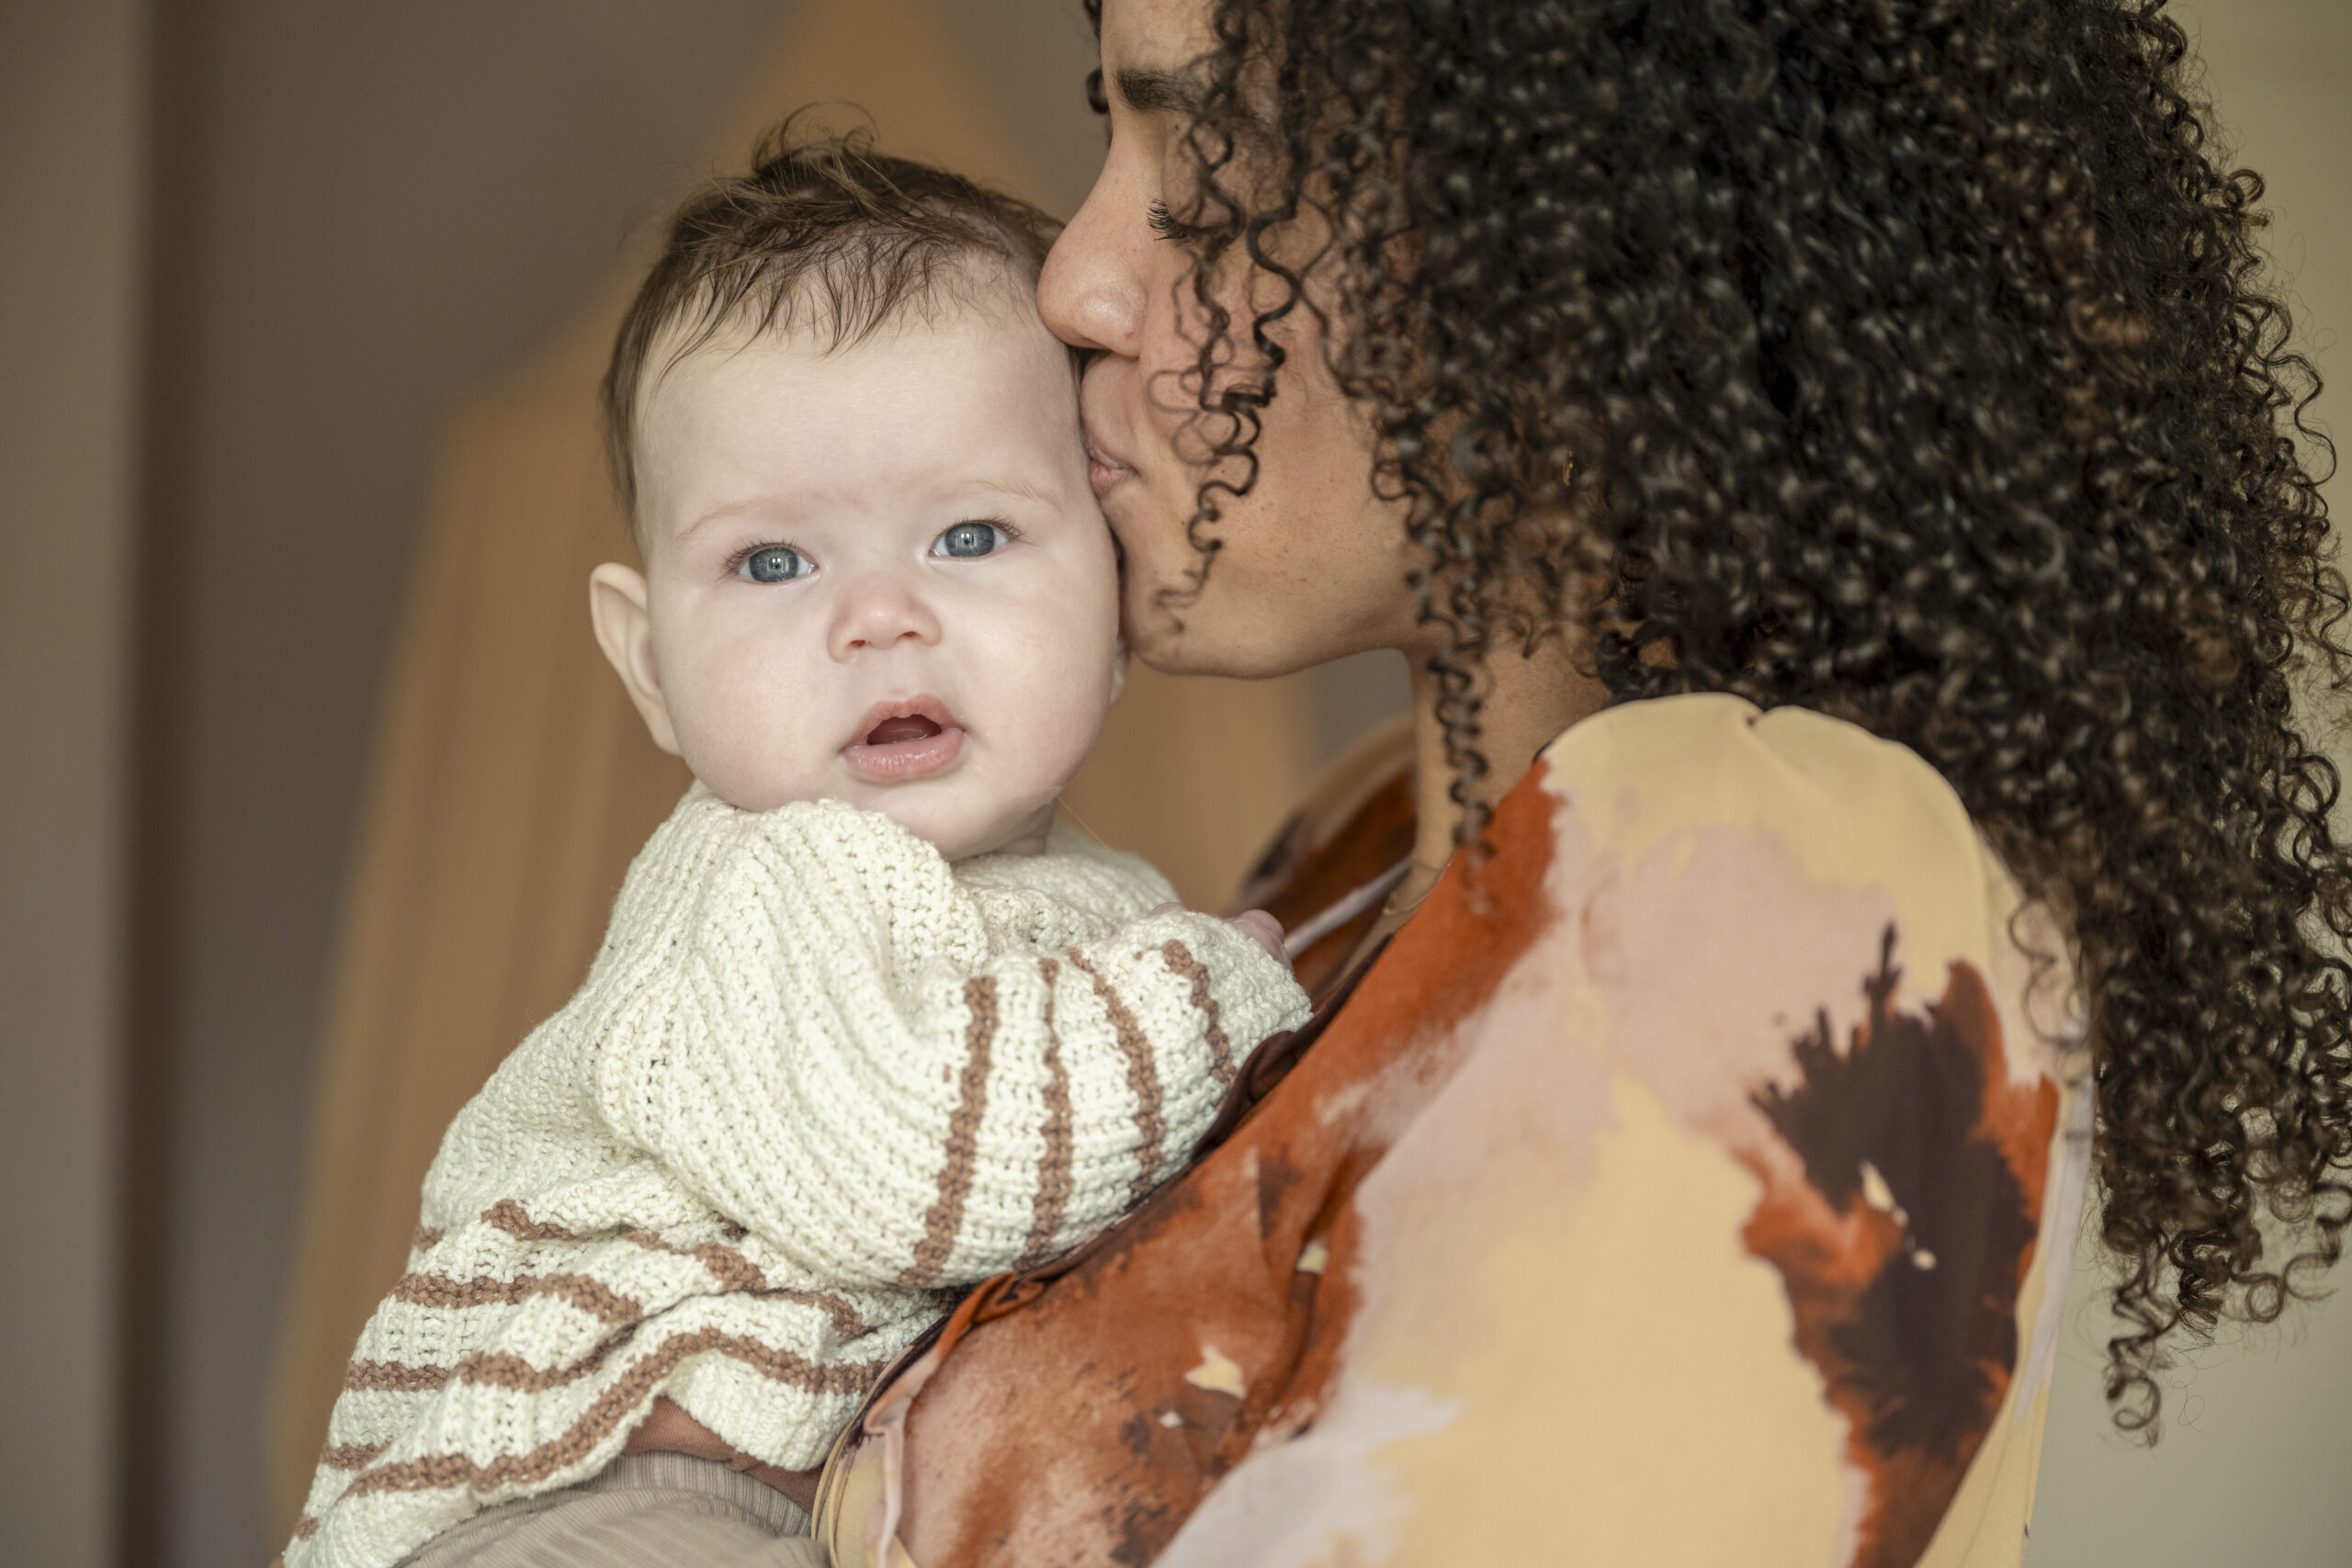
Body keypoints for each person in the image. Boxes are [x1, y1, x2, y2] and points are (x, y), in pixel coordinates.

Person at [800, 2, 2352, 1565]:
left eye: (1211, 160)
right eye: (1104, 122)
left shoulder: (1758, 893)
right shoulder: (1344, 864)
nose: (1074, 281)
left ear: (1579, 232)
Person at [277, 130, 1308, 1568]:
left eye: (969, 534)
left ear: (1115, 585)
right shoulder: (773, 877)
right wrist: (1214, 1001)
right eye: (774, 563)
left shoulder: (1071, 894)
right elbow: (907, 1169)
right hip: (601, 1502)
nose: (879, 616)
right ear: (650, 668)